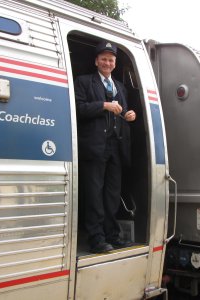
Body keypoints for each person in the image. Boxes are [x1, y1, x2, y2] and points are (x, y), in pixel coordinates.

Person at [75, 41, 136, 253]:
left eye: (111, 59)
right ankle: (96, 239)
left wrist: (130, 114)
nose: (107, 62)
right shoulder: (84, 82)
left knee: (111, 195)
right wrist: (103, 105)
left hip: (115, 148)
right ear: (96, 61)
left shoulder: (120, 86)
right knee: (94, 195)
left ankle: (112, 235)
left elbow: (123, 112)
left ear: (115, 63)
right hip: (94, 147)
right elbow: (79, 108)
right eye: (103, 59)